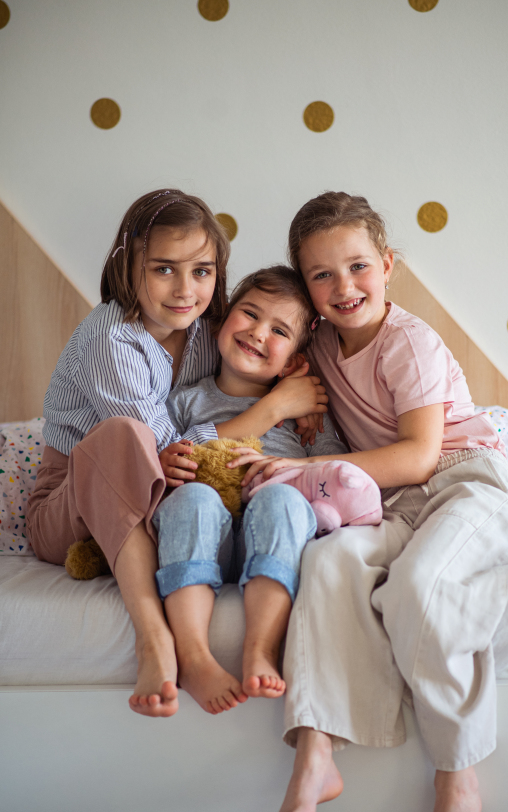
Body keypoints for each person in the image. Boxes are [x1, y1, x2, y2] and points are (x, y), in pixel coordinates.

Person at [233, 193, 508, 812]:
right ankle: (317, 749)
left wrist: (305, 468)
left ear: (388, 265)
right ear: (306, 289)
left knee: (423, 585)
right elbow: (252, 365)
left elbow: (420, 457)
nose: (345, 288)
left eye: (359, 267)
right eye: (322, 276)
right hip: (385, 501)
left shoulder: (411, 343)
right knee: (328, 560)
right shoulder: (320, 349)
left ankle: (458, 778)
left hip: (466, 486)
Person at [26, 189, 327, 719]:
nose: (186, 290)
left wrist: (302, 394)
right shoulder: (112, 336)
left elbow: (259, 361)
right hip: (71, 504)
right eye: (164, 269)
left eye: (203, 271)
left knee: (194, 491)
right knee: (126, 435)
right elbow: (170, 450)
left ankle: (226, 632)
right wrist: (276, 407)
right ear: (129, 266)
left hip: (157, 494)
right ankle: (157, 642)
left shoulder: (209, 331)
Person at [152, 266, 346, 715]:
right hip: (203, 536)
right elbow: (169, 455)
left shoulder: (310, 415)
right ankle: (194, 655)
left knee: (282, 498)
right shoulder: (185, 400)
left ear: (296, 359)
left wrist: (286, 467)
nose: (258, 333)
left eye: (279, 330)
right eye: (250, 314)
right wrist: (165, 459)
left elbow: (333, 476)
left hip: (271, 536)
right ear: (223, 320)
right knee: (195, 498)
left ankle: (260, 647)